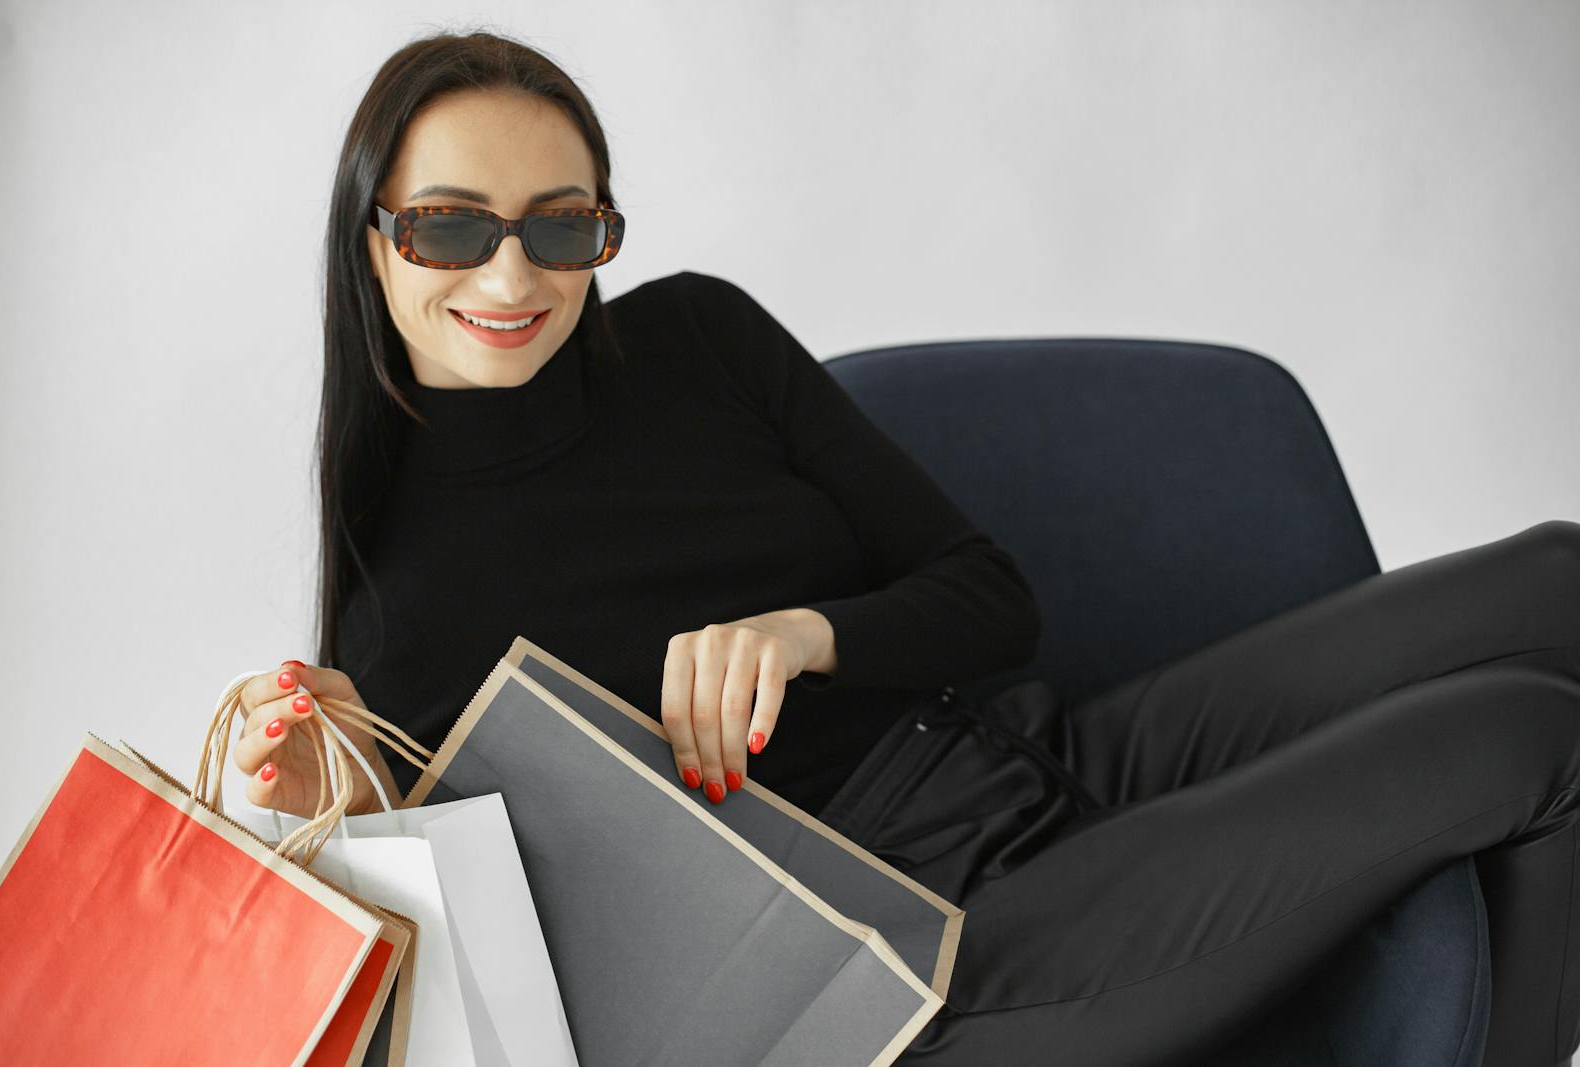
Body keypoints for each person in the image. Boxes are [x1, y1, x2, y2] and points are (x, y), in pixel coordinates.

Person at [229, 29, 1580, 1066]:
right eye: (454, 226)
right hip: (918, 967)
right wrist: (337, 803)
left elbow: (993, 600)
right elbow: (544, 996)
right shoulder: (397, 603)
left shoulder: (698, 337)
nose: (514, 280)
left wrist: (808, 635)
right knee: (1530, 736)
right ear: (376, 238)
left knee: (1558, 575)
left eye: (563, 226)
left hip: (1032, 756)